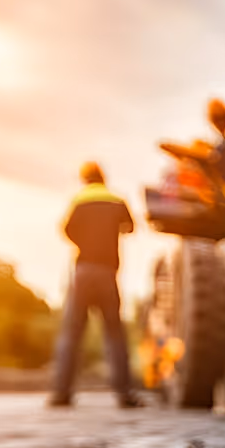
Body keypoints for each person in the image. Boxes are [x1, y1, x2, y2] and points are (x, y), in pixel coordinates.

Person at [49, 161, 142, 409]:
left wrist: (83, 242)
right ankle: (125, 395)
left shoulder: (79, 200)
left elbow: (66, 230)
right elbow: (131, 227)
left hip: (82, 272)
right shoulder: (116, 199)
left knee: (72, 332)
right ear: (103, 178)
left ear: (84, 179)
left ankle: (61, 394)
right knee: (114, 333)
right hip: (107, 272)